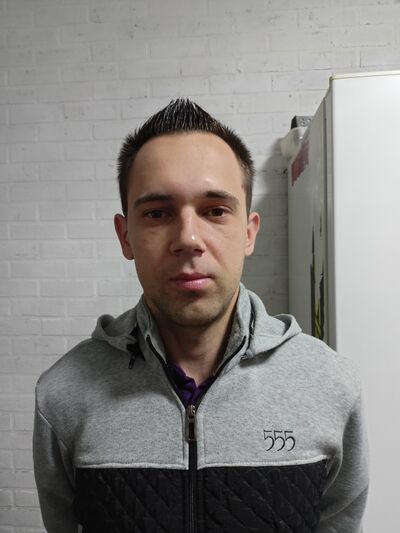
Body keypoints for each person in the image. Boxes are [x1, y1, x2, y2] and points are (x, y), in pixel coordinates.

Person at [33, 98, 368, 533]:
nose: (188, 239)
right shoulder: (62, 394)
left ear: (248, 233)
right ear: (125, 235)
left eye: (215, 211)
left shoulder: (330, 385)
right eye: (157, 213)